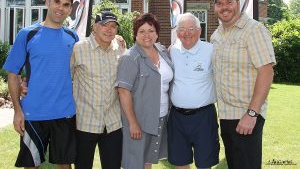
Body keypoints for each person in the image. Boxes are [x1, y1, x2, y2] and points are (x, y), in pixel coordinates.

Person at [2, 0, 78, 169]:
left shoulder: (73, 37)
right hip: (33, 113)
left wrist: (118, 41)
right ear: (47, 3)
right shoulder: (27, 34)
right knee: (31, 164)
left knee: (65, 165)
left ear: (69, 10)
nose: (61, 7)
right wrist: (17, 111)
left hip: (65, 112)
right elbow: (13, 75)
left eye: (66, 4)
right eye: (57, 1)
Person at [211, 0, 276, 169]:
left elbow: (266, 71)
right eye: (219, 3)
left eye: (229, 2)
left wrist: (252, 113)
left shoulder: (254, 30)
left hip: (246, 116)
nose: (224, 7)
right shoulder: (216, 35)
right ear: (215, 7)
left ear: (238, 3)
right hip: (225, 116)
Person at [116, 13, 174, 169]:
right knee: (134, 163)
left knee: (147, 160)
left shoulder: (162, 51)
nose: (147, 35)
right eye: (142, 31)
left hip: (160, 117)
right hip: (139, 120)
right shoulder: (130, 57)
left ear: (157, 34)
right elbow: (123, 91)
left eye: (151, 30)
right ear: (135, 34)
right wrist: (133, 123)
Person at [71, 11, 125, 169]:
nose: (109, 30)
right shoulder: (79, 48)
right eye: (104, 25)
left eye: (113, 26)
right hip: (85, 121)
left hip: (113, 122)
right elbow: (66, 76)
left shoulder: (120, 49)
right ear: (94, 27)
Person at [167, 12, 220, 169]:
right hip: (177, 118)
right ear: (176, 33)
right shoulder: (171, 52)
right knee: (180, 162)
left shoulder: (211, 50)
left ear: (199, 31)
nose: (186, 33)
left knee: (204, 163)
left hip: (204, 117)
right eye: (182, 29)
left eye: (191, 28)